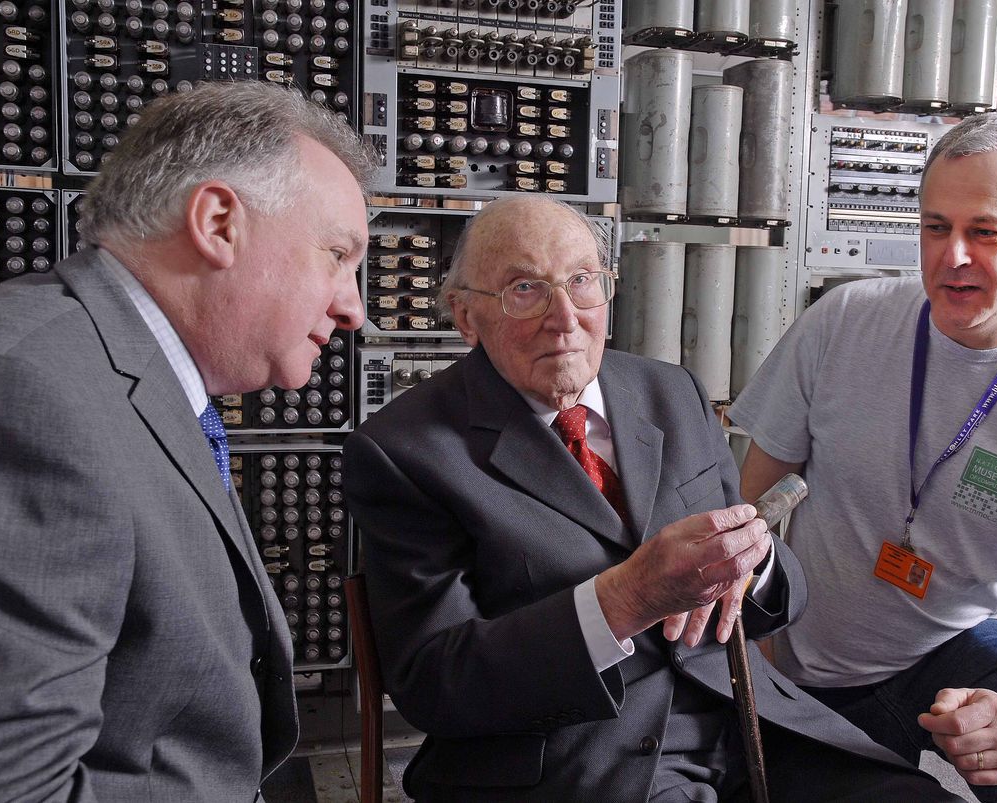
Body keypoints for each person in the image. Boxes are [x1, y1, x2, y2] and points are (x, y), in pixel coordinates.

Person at [344, 195, 963, 802]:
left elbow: (778, 599)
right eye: (524, 289)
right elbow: (436, 683)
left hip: (744, 720)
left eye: (583, 281)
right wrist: (627, 598)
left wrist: (756, 560)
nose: (565, 317)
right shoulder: (404, 451)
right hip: (572, 757)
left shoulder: (671, 391)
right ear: (464, 315)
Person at [731, 112, 997, 801]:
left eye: (984, 231)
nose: (951, 256)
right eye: (936, 227)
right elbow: (745, 504)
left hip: (968, 646)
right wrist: (746, 655)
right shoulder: (844, 324)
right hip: (816, 663)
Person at [0, 82, 372, 801]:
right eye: (337, 255)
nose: (353, 309)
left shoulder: (132, 378)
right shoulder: (27, 394)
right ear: (219, 221)